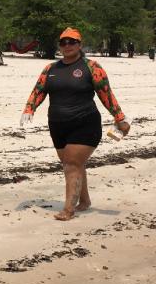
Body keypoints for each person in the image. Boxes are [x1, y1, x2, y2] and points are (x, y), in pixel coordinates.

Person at [21, 27, 130, 221]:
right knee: (73, 164)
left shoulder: (92, 67)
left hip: (85, 123)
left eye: (72, 42)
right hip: (57, 125)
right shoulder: (50, 69)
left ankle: (68, 210)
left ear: (79, 44)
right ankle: (85, 201)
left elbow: (106, 94)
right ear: (60, 46)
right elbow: (38, 90)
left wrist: (120, 118)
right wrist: (29, 109)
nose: (67, 45)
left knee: (72, 164)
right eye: (63, 42)